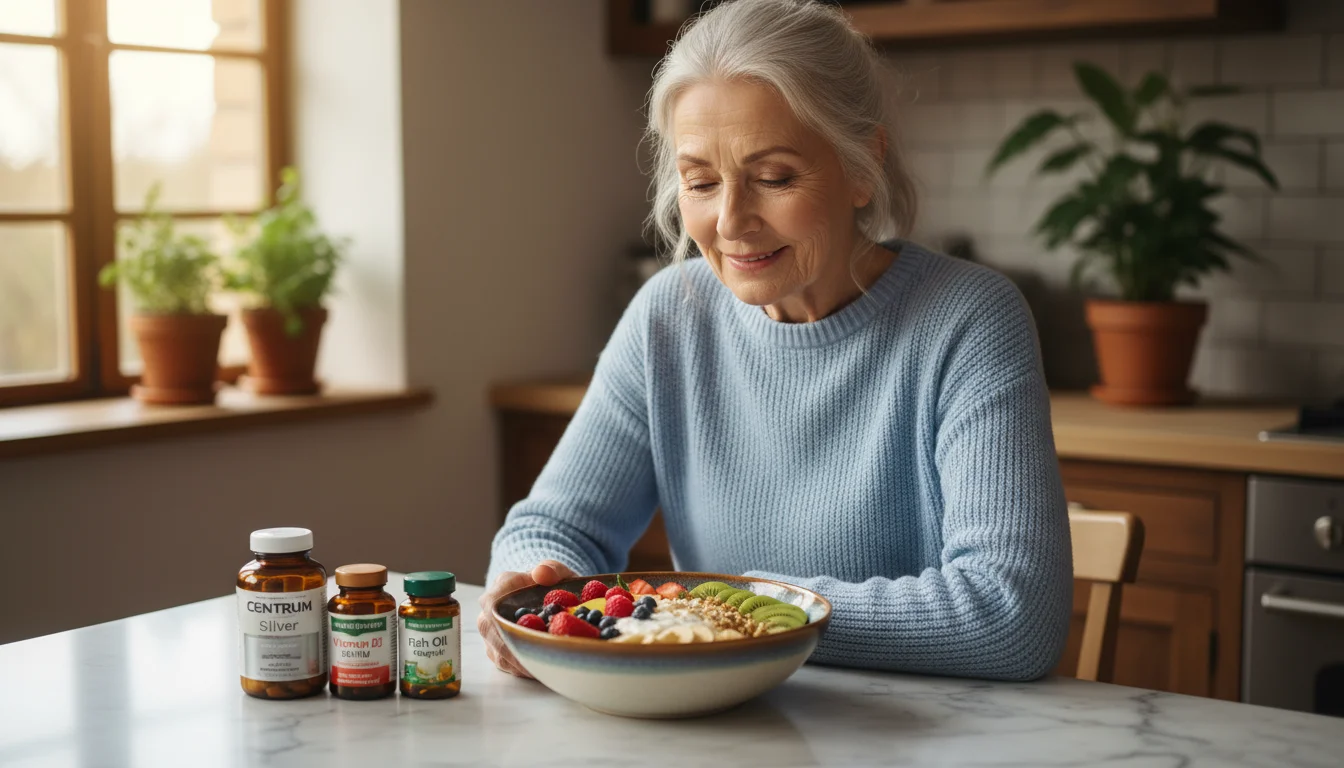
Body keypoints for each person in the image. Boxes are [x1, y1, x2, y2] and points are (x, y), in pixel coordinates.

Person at [479, 0, 1071, 681]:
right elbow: (553, 526)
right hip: (716, 730)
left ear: (862, 167)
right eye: (700, 181)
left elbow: (1012, 616)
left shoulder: (969, 320)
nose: (731, 222)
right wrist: (523, 590)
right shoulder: (669, 317)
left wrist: (739, 611)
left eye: (774, 177)